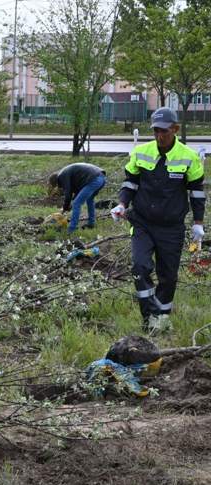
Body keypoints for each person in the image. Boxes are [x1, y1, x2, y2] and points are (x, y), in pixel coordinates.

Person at [111, 107, 205, 332]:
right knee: (139, 267)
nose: (159, 136)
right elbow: (130, 183)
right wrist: (122, 204)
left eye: (164, 131)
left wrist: (198, 223)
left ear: (175, 129)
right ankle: (149, 316)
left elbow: (197, 192)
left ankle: (162, 317)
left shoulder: (189, 157)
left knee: (168, 275)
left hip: (171, 227)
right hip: (142, 222)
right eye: (155, 131)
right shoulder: (141, 152)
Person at [48, 163, 106, 233]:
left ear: (56, 182)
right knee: (89, 200)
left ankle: (71, 229)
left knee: (76, 203)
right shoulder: (66, 173)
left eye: (57, 186)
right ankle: (91, 223)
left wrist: (65, 208)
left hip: (94, 179)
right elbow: (78, 191)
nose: (60, 188)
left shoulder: (62, 176)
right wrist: (69, 205)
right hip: (101, 178)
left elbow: (68, 194)